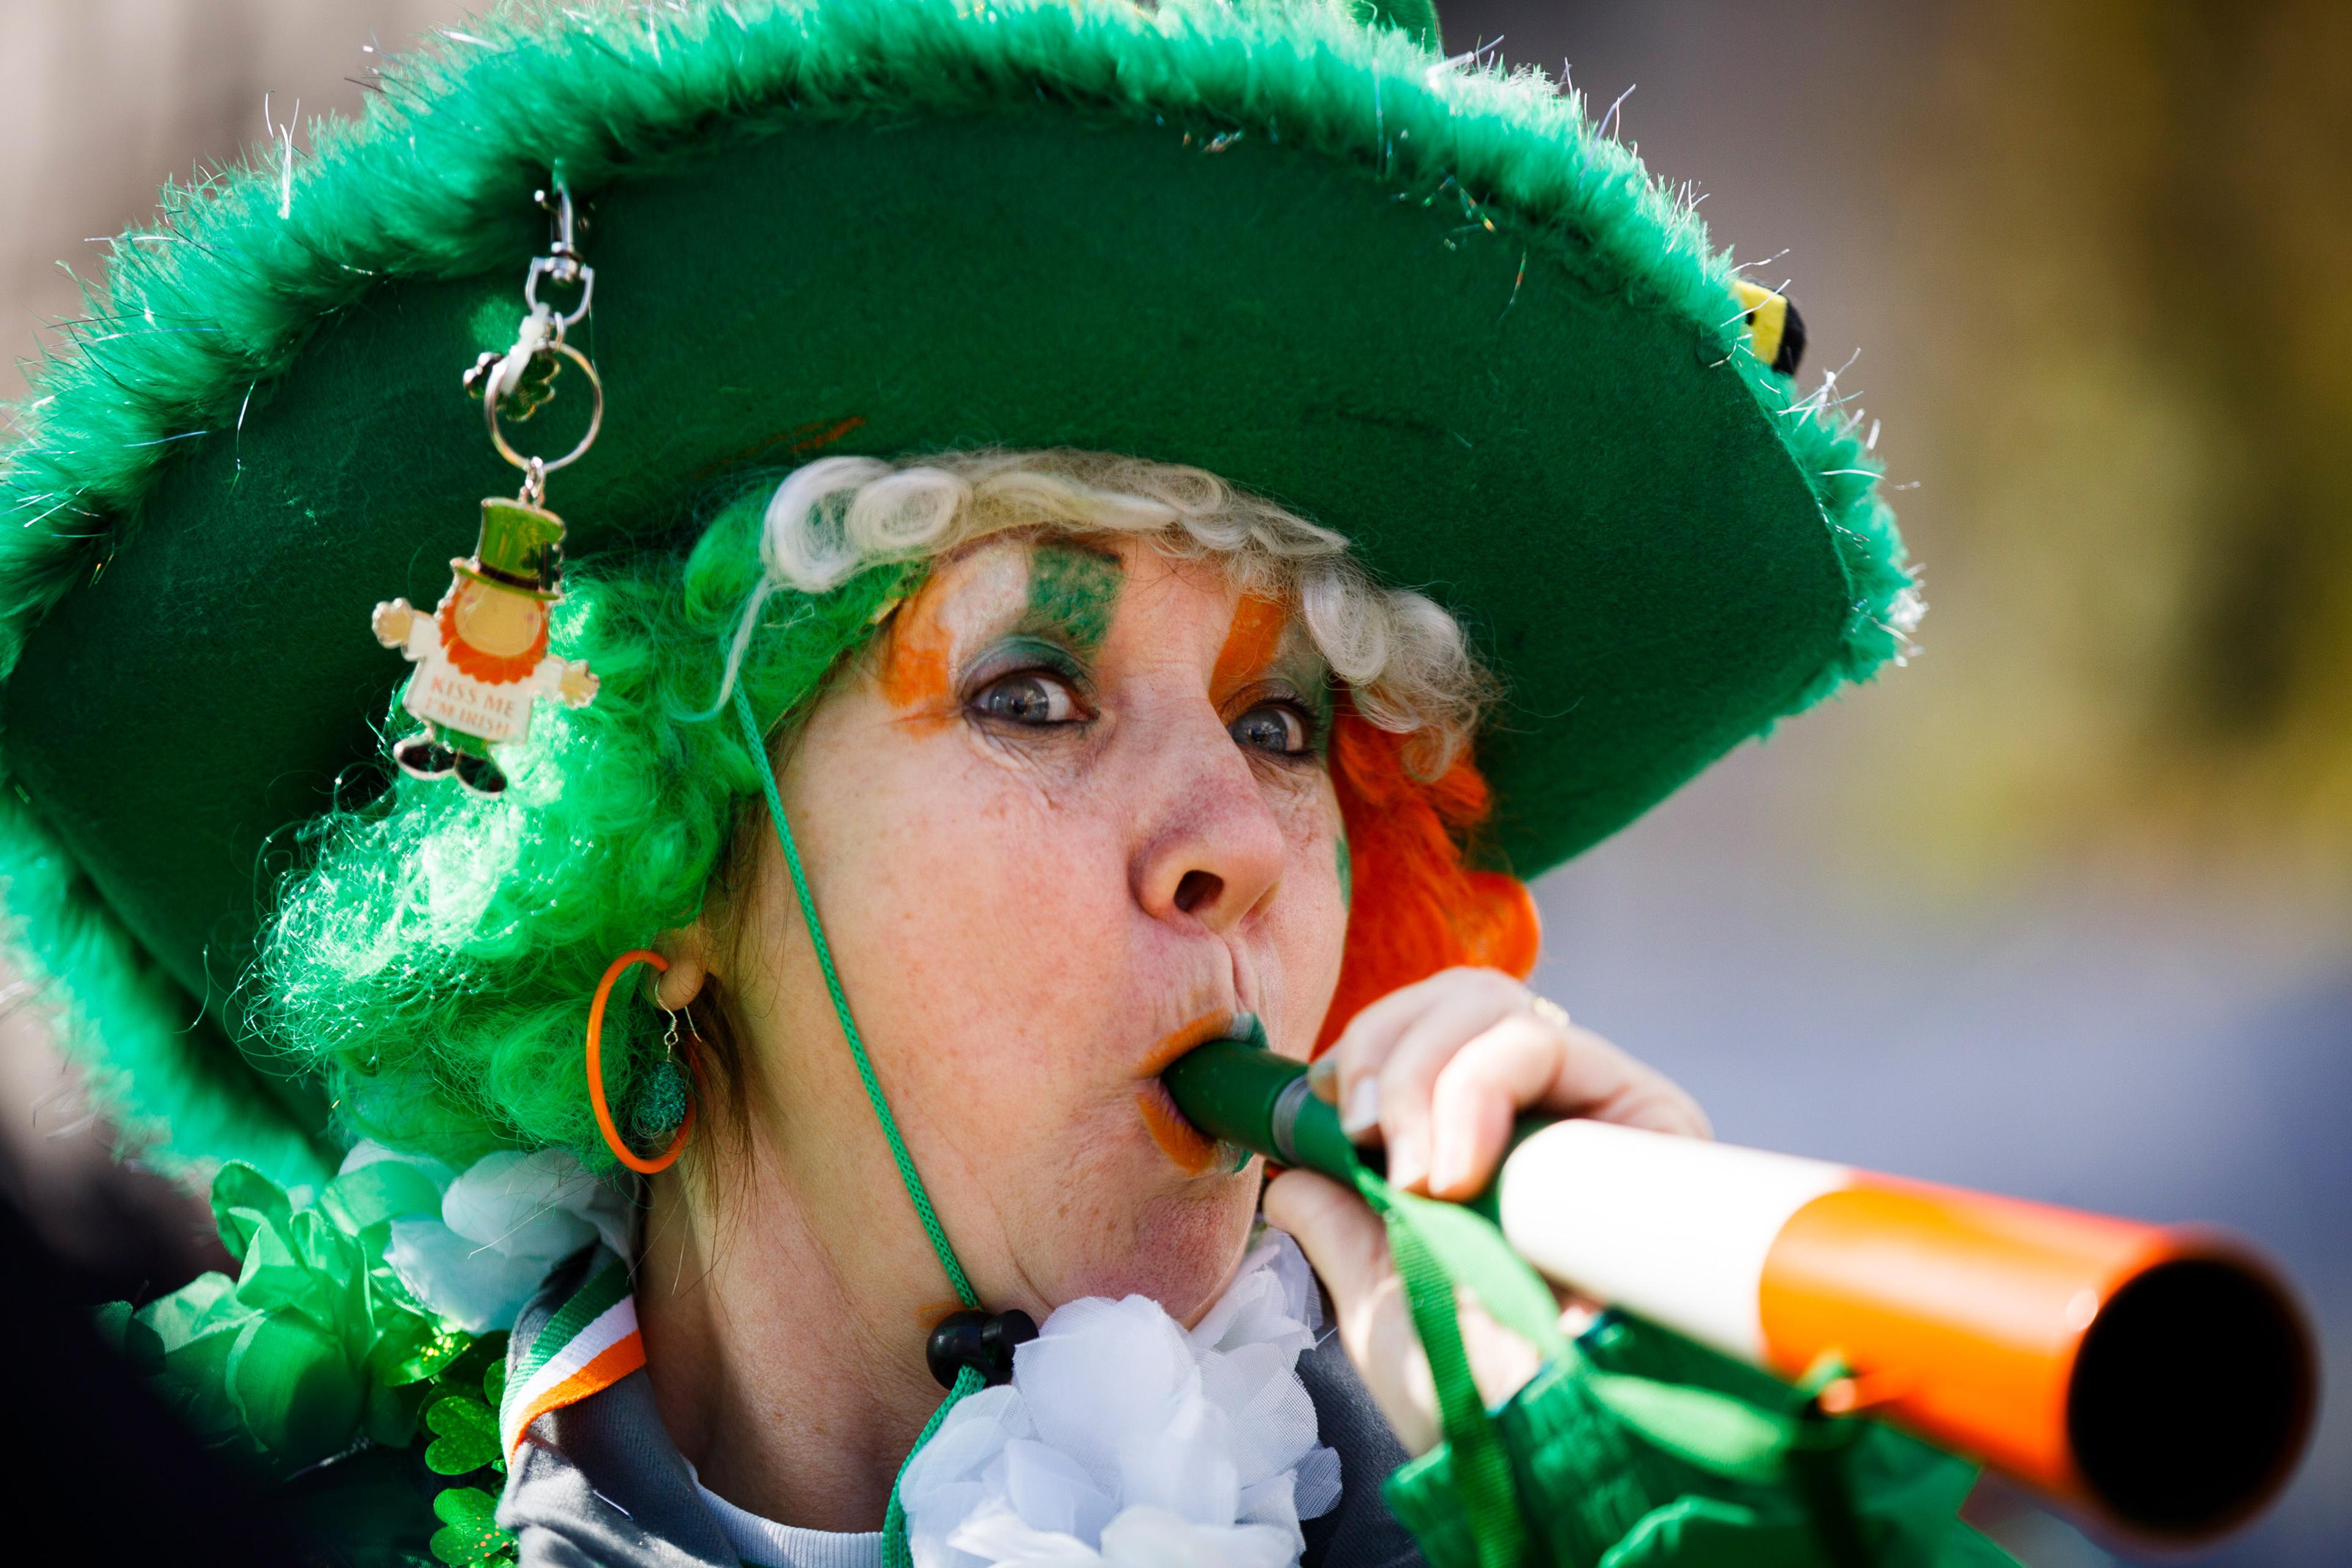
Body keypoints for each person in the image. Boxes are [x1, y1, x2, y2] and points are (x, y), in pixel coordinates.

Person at [0, 2, 1990, 1565]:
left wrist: (1639, 1513)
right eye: (1035, 692)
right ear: (647, 878)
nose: (1236, 850)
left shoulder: (1542, 1519)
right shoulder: (198, 1518)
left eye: (1286, 726)